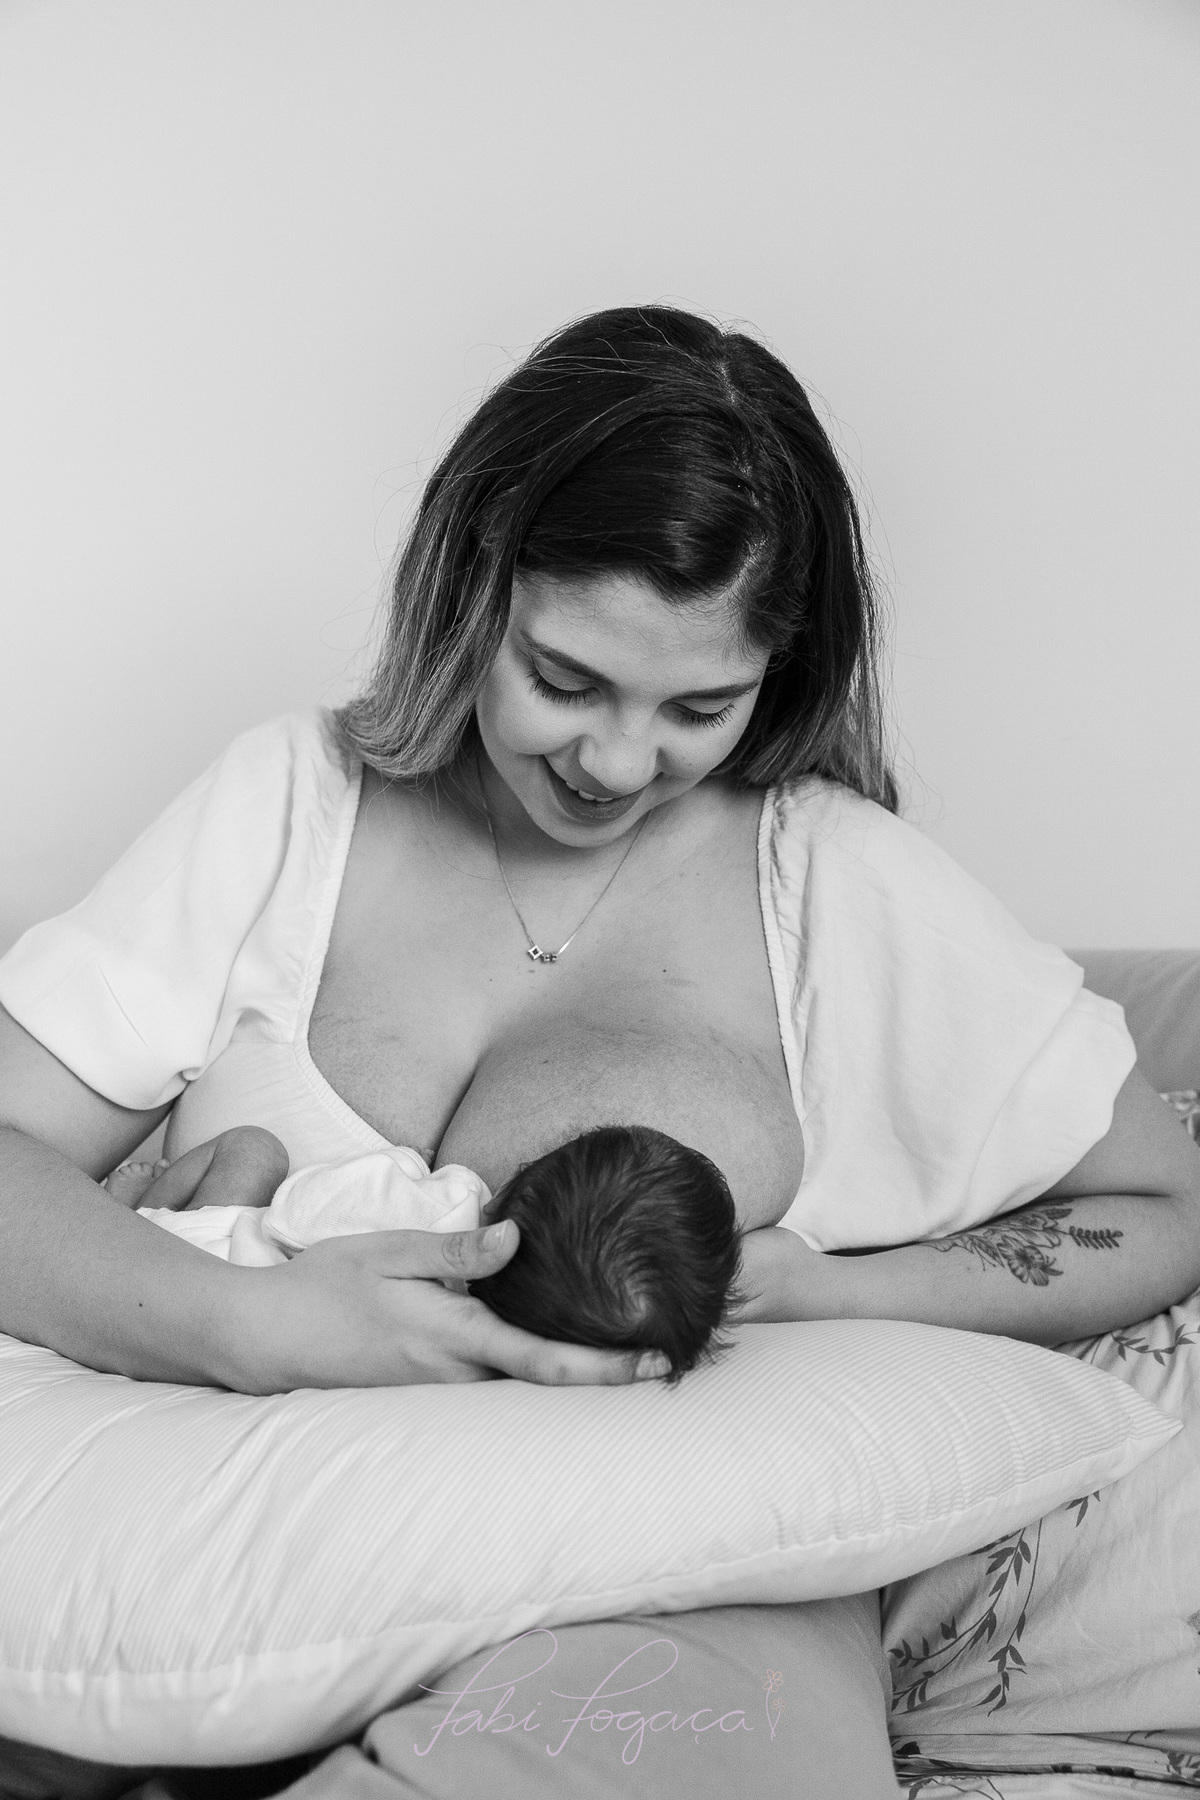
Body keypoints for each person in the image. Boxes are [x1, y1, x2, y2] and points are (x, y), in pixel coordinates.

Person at [2, 304, 1199, 1799]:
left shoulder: (834, 888)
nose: (619, 762)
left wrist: (829, 1288)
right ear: (469, 586)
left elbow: (1163, 1202)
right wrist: (248, 1320)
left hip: (662, 1611)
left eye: (702, 705)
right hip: (222, 1570)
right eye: (565, 680)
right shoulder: (290, 806)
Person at [107, 1119, 744, 1383]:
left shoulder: (444, 1206)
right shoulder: (486, 1345)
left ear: (509, 1190)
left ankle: (137, 1211)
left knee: (254, 1148)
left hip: (199, 1252)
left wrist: (404, 1165)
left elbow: (293, 1212)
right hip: (228, 1306)